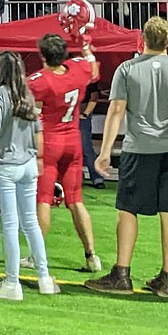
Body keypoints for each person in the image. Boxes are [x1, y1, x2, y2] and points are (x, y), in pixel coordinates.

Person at [86, 16, 168, 298]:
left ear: (142, 40)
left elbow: (116, 110)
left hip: (140, 147)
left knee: (128, 209)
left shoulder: (126, 69)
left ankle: (122, 274)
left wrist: (104, 152)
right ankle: (167, 278)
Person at [0, 50, 59, 300]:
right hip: (28, 163)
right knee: (29, 221)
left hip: (7, 164)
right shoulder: (27, 95)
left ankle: (12, 282)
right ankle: (44, 278)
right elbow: (37, 132)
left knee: (11, 224)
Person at [28, 34, 102, 272]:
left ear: (42, 56)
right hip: (73, 140)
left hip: (50, 142)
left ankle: (36, 255)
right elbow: (93, 70)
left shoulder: (40, 80)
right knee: (75, 200)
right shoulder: (78, 68)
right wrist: (87, 48)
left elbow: (25, 101)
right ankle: (92, 255)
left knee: (43, 198)